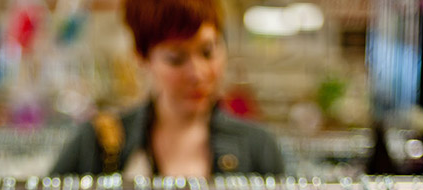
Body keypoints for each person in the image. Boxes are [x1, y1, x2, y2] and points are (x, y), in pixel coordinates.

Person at [51, 0, 284, 177]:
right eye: (176, 59)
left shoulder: (258, 147)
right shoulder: (97, 143)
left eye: (207, 52)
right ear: (142, 58)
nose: (198, 73)